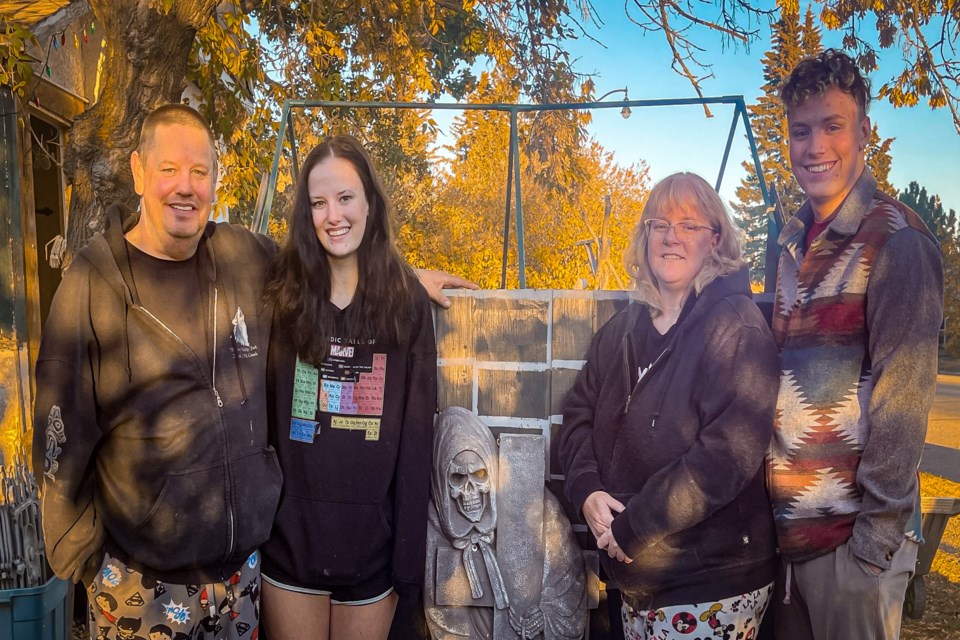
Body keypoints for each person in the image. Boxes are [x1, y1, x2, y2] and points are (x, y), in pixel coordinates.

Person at [32, 104, 471, 640]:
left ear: (215, 179)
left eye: (199, 171)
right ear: (138, 171)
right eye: (168, 169)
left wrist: (404, 274)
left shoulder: (242, 257)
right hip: (139, 586)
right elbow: (59, 426)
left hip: (239, 581)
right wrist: (83, 558)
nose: (185, 186)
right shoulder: (94, 284)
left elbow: (330, 255)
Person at [768, 49, 944, 640]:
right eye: (800, 130)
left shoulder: (897, 242)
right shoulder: (789, 244)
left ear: (864, 132)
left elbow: (904, 401)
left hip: (853, 551)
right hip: (789, 544)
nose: (815, 146)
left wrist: (871, 549)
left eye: (832, 125)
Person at [559, 172, 780, 639]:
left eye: (688, 225)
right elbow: (578, 414)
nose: (670, 237)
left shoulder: (735, 329)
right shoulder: (621, 331)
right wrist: (586, 490)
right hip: (635, 575)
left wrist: (634, 526)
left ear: (715, 239)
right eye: (659, 224)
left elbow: (725, 458)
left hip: (709, 580)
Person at [259, 134, 437, 640]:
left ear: (370, 203)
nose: (333, 215)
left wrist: (407, 560)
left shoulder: (406, 304)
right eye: (318, 202)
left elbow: (417, 437)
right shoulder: (280, 295)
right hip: (289, 547)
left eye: (345, 198)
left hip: (372, 555)